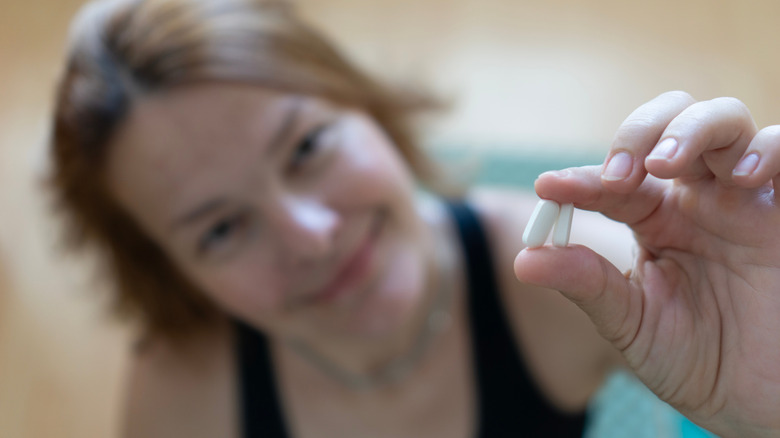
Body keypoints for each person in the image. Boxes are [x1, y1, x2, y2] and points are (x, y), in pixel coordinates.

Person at [49, 0, 780, 437]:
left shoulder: (563, 272)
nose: (313, 235)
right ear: (167, 269)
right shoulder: (182, 397)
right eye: (220, 229)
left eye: (306, 147)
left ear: (363, 102)